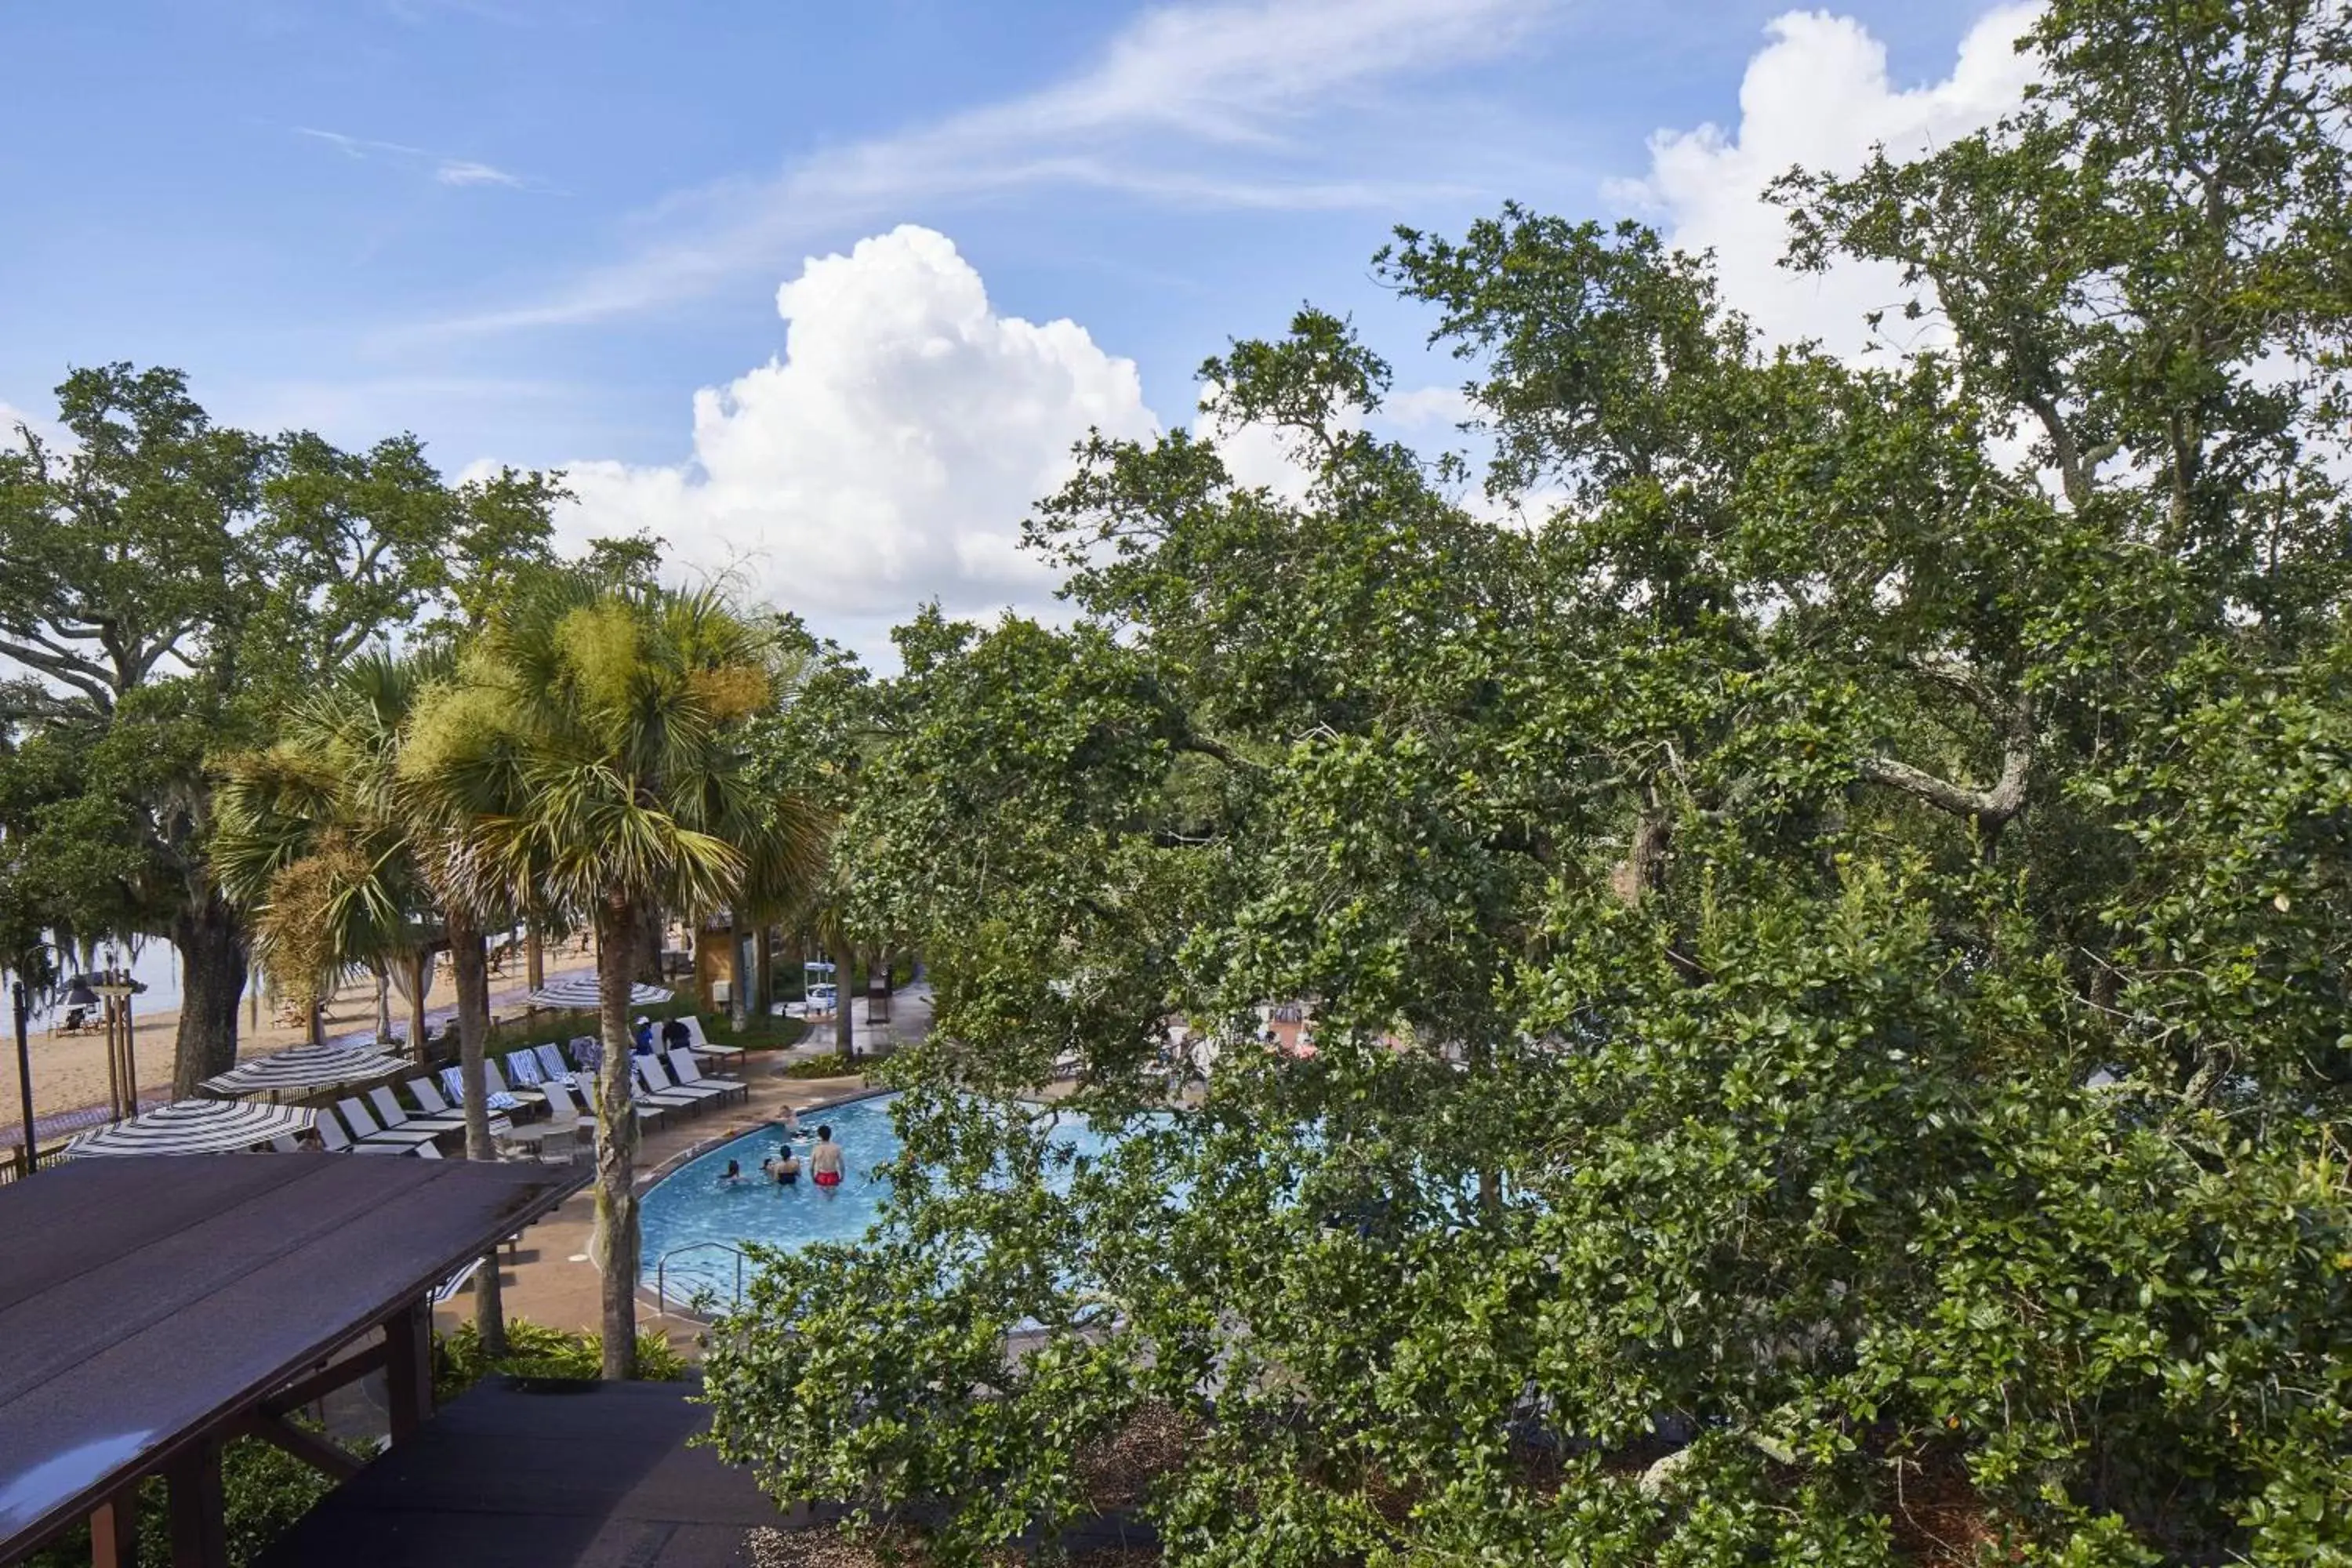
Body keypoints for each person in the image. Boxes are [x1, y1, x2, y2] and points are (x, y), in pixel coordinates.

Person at [810, 1124, 844, 1189]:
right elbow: (842, 1165)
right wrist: (842, 1177)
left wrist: (813, 1178)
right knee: (833, 1196)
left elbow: (811, 1167)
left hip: (821, 1176)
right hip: (833, 1176)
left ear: (819, 1136)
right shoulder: (836, 1148)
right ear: (830, 1135)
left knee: (822, 1196)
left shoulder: (816, 1149)